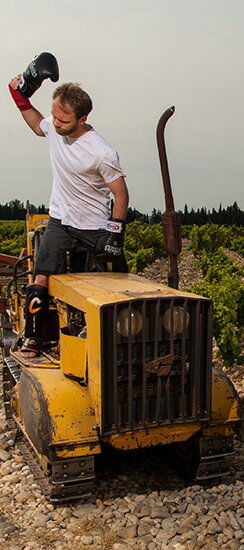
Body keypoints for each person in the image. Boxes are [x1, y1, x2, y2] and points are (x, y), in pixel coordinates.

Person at [8, 77, 129, 358]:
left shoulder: (102, 152)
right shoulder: (54, 128)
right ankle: (33, 337)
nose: (56, 124)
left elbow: (121, 195)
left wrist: (115, 233)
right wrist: (19, 97)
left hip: (94, 226)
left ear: (83, 118)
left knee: (115, 283)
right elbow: (38, 124)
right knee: (40, 277)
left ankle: (116, 343)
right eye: (54, 117)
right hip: (61, 221)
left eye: (63, 120)